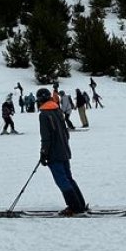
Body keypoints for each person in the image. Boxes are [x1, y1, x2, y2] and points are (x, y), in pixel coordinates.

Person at [36, 87, 87, 215]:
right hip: (64, 150)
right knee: (68, 178)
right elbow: (65, 133)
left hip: (54, 153)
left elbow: (46, 137)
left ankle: (74, 207)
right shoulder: (57, 110)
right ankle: (80, 204)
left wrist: (44, 153)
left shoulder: (44, 115)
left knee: (62, 180)